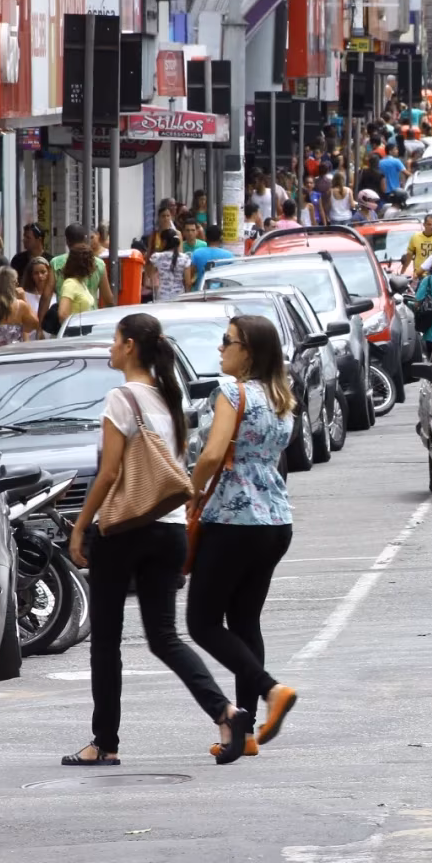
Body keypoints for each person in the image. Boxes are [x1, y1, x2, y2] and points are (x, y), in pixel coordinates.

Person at [65, 314, 250, 766]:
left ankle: (104, 742)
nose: (110, 349)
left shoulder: (121, 398)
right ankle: (224, 712)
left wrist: (80, 525)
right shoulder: (170, 398)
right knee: (165, 636)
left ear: (130, 346)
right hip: (168, 530)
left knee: (105, 641)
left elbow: (109, 473)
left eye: (114, 341)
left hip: (124, 529)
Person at [186, 316, 301, 758]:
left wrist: (191, 491)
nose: (221, 350)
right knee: (245, 620)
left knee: (202, 622)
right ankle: (245, 733)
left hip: (233, 519)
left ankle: (272, 692)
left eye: (227, 342)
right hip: (275, 520)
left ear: (247, 351)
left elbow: (213, 453)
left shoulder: (231, 391)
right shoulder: (280, 398)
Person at [53, 224, 115, 308]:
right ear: (85, 239)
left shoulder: (56, 263)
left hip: (66, 319)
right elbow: (108, 299)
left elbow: (46, 296)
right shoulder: (99, 264)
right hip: (90, 318)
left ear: (67, 241)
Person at [0, 267, 39, 349]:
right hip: (14, 356)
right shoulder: (20, 306)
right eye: (16, 282)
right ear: (12, 284)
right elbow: (34, 324)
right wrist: (24, 298)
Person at [147, 229, 193, 303]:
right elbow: (188, 283)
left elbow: (150, 278)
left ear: (164, 242)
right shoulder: (185, 258)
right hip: (180, 297)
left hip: (161, 297)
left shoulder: (156, 257)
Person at [57, 246, 101, 321]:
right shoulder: (70, 284)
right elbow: (63, 314)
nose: (94, 265)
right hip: (77, 331)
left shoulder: (81, 283)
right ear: (83, 265)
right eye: (91, 261)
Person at [191, 225, 235, 291]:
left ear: (206, 238)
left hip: (201, 292)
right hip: (222, 293)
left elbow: (191, 274)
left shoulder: (197, 253)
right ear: (220, 238)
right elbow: (232, 278)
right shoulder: (229, 256)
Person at [23, 258, 58, 333]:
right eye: (36, 273)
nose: (40, 276)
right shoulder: (25, 295)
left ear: (49, 273)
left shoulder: (57, 296)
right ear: (31, 276)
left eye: (43, 272)